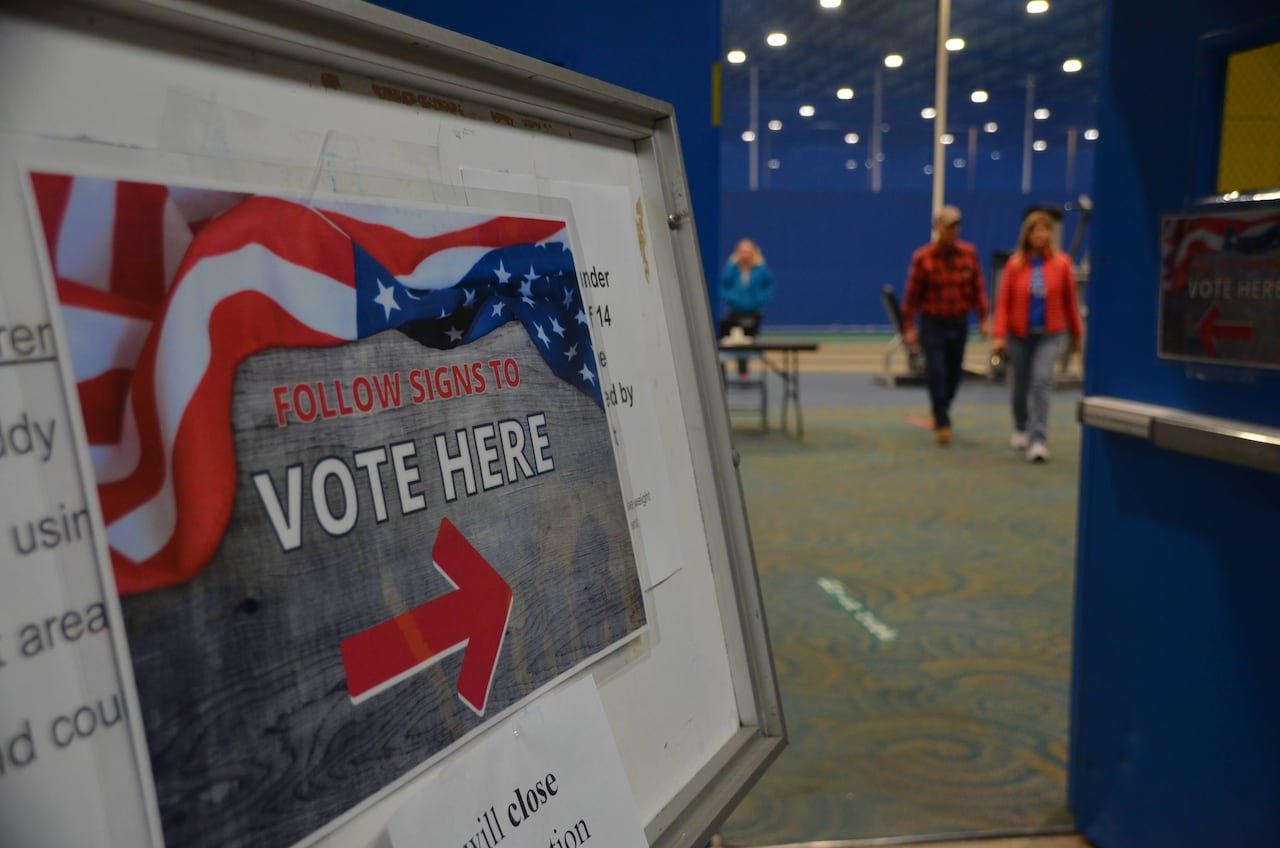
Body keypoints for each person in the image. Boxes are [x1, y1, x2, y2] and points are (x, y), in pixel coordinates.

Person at [991, 209, 1083, 463]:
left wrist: (1077, 336)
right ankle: (1020, 426)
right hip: (1018, 334)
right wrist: (998, 336)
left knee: (1042, 381)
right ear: (1028, 234)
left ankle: (1038, 439)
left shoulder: (1062, 264)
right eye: (1035, 230)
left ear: (1050, 234)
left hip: (1050, 334)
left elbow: (1070, 303)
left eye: (1045, 230)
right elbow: (1003, 303)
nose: (1040, 235)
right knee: (1019, 385)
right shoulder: (1014, 264)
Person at [902, 205, 990, 445]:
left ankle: (941, 406)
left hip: (959, 323)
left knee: (954, 374)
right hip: (933, 325)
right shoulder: (923, 259)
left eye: (955, 226)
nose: (952, 231)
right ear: (937, 227)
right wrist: (908, 327)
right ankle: (942, 421)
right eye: (947, 226)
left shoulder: (969, 255)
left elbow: (977, 290)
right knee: (937, 371)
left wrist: (984, 319)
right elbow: (911, 297)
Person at [719, 238, 775, 376]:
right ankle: (721, 373)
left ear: (754, 252)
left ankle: (743, 369)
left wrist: (759, 299)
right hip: (734, 313)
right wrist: (732, 298)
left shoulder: (761, 269)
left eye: (749, 251)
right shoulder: (732, 268)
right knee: (725, 337)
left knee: (746, 341)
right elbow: (723, 285)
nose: (746, 254)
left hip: (753, 314)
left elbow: (770, 286)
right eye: (743, 251)